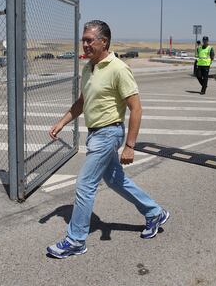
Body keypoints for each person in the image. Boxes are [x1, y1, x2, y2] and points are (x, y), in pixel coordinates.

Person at [46, 20, 169, 259]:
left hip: (109, 133)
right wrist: (61, 123)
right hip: (94, 133)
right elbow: (83, 102)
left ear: (104, 42)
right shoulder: (87, 68)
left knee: (84, 184)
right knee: (115, 180)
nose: (85, 44)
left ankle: (76, 240)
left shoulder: (118, 68)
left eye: (89, 40)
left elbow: (136, 108)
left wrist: (130, 146)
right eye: (83, 39)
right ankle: (154, 212)